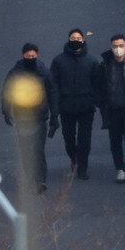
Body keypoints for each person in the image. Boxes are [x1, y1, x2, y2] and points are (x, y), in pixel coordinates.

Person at [1, 42, 58, 195]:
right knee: (26, 151)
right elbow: (7, 92)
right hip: (22, 119)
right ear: (22, 56)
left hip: (39, 118)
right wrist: (6, 111)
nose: (31, 58)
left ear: (37, 56)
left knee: (38, 150)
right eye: (28, 56)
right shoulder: (15, 73)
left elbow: (52, 93)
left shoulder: (44, 72)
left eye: (33, 56)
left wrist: (54, 116)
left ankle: (40, 180)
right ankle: (30, 177)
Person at [93, 34, 125, 185]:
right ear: (111, 47)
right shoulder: (105, 65)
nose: (118, 49)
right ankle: (120, 169)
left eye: (121, 46)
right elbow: (98, 86)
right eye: (115, 46)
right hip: (113, 109)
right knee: (115, 141)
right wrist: (101, 104)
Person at [49, 29, 96, 180]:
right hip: (66, 107)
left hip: (86, 107)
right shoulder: (58, 61)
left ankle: (82, 167)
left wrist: (93, 99)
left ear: (83, 40)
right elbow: (53, 85)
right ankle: (74, 159)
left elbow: (97, 83)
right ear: (68, 40)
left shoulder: (91, 61)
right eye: (73, 37)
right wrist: (55, 107)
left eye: (78, 37)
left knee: (84, 139)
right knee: (68, 138)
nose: (75, 40)